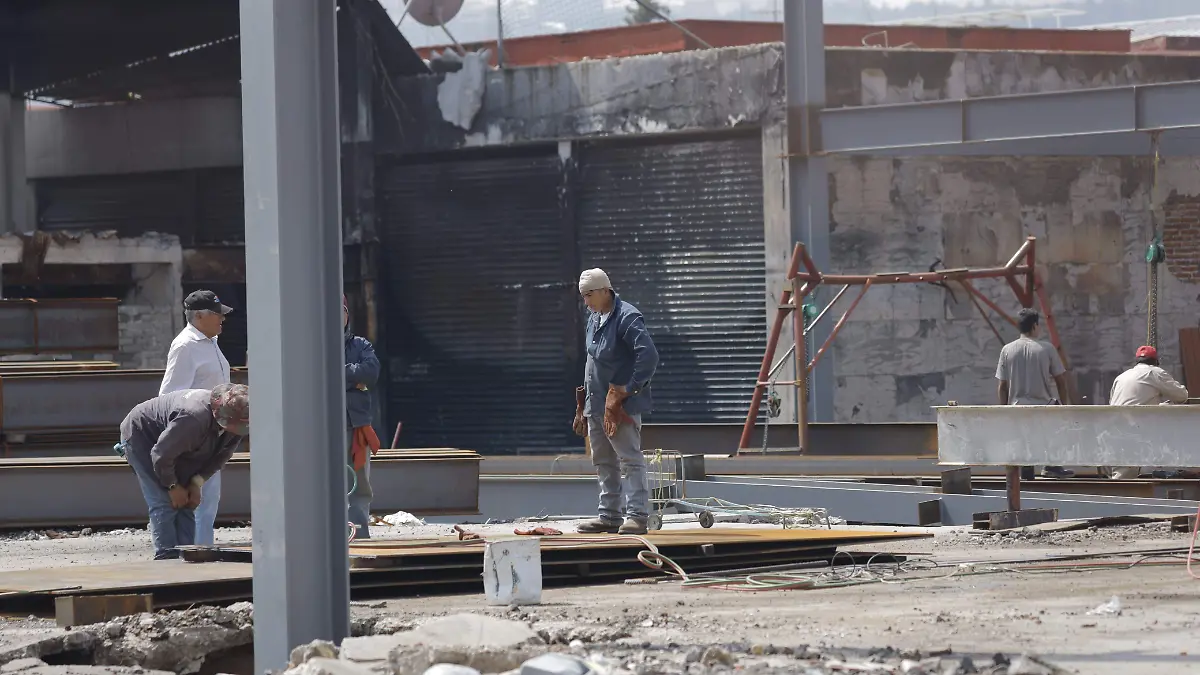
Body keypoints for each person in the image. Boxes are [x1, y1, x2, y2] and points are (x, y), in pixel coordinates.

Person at [117, 384, 249, 560]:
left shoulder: (238, 422)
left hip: (175, 445)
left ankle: (186, 559)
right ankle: (167, 560)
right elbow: (161, 455)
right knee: (164, 502)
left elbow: (220, 457)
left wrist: (196, 482)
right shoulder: (193, 418)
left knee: (186, 502)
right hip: (143, 436)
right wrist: (172, 485)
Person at [573, 268, 660, 535]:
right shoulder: (595, 318)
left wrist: (628, 389)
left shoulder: (627, 317)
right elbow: (592, 361)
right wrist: (582, 405)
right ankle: (609, 515)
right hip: (596, 403)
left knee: (629, 459)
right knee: (603, 460)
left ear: (604, 290)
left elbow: (648, 356)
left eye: (589, 295)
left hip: (619, 406)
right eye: (583, 296)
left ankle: (637, 516)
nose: (586, 301)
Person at [158, 289, 234, 548]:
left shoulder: (210, 342)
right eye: (217, 315)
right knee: (197, 502)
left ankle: (202, 552)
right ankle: (193, 556)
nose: (222, 320)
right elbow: (169, 395)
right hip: (196, 436)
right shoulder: (186, 346)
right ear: (199, 316)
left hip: (213, 433)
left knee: (208, 501)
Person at [995, 308, 1074, 479]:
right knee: (1053, 431)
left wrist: (1003, 410)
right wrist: (1064, 406)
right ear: (1034, 326)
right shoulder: (1046, 349)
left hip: (1017, 408)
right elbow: (1061, 380)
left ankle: (1026, 473)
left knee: (1023, 443)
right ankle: (1052, 466)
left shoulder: (1007, 350)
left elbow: (1002, 386)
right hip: (1042, 407)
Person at [1106, 345, 1190, 480]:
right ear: (1156, 362)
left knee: (1123, 476)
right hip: (1136, 431)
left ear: (1137, 361)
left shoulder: (1122, 377)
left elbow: (1119, 403)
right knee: (1125, 479)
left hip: (1116, 428)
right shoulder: (1154, 373)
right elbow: (1181, 396)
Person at [344, 295, 381, 539]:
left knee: (359, 481)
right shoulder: (310, 343)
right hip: (319, 425)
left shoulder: (361, 345)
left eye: (342, 311)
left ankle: (359, 534)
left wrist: (336, 370)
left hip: (354, 423)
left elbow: (371, 372)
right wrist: (351, 378)